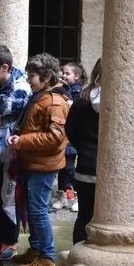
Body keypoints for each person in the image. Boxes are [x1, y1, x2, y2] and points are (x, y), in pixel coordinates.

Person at [8, 53, 71, 266]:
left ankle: (47, 257)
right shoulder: (41, 96)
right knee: (34, 210)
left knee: (38, 211)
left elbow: (55, 138)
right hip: (33, 162)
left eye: (32, 75)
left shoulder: (54, 102)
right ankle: (36, 250)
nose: (28, 79)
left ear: (46, 77)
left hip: (43, 166)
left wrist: (22, 141)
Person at [0, 45, 32, 261]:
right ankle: (0, 239)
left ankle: (10, 242)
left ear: (4, 67)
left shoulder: (23, 88)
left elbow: (26, 120)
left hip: (12, 152)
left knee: (9, 197)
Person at [65, 59, 101, 245]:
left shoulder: (82, 100)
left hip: (86, 163)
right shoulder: (119, 101)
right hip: (108, 168)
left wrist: (82, 147)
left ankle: (77, 252)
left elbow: (70, 129)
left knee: (84, 214)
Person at [53, 62, 85, 213]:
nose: (64, 76)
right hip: (63, 133)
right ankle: (62, 197)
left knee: (70, 167)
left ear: (77, 76)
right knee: (62, 168)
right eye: (63, 73)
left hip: (72, 135)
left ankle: (79, 197)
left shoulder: (79, 91)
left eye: (68, 73)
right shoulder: (63, 88)